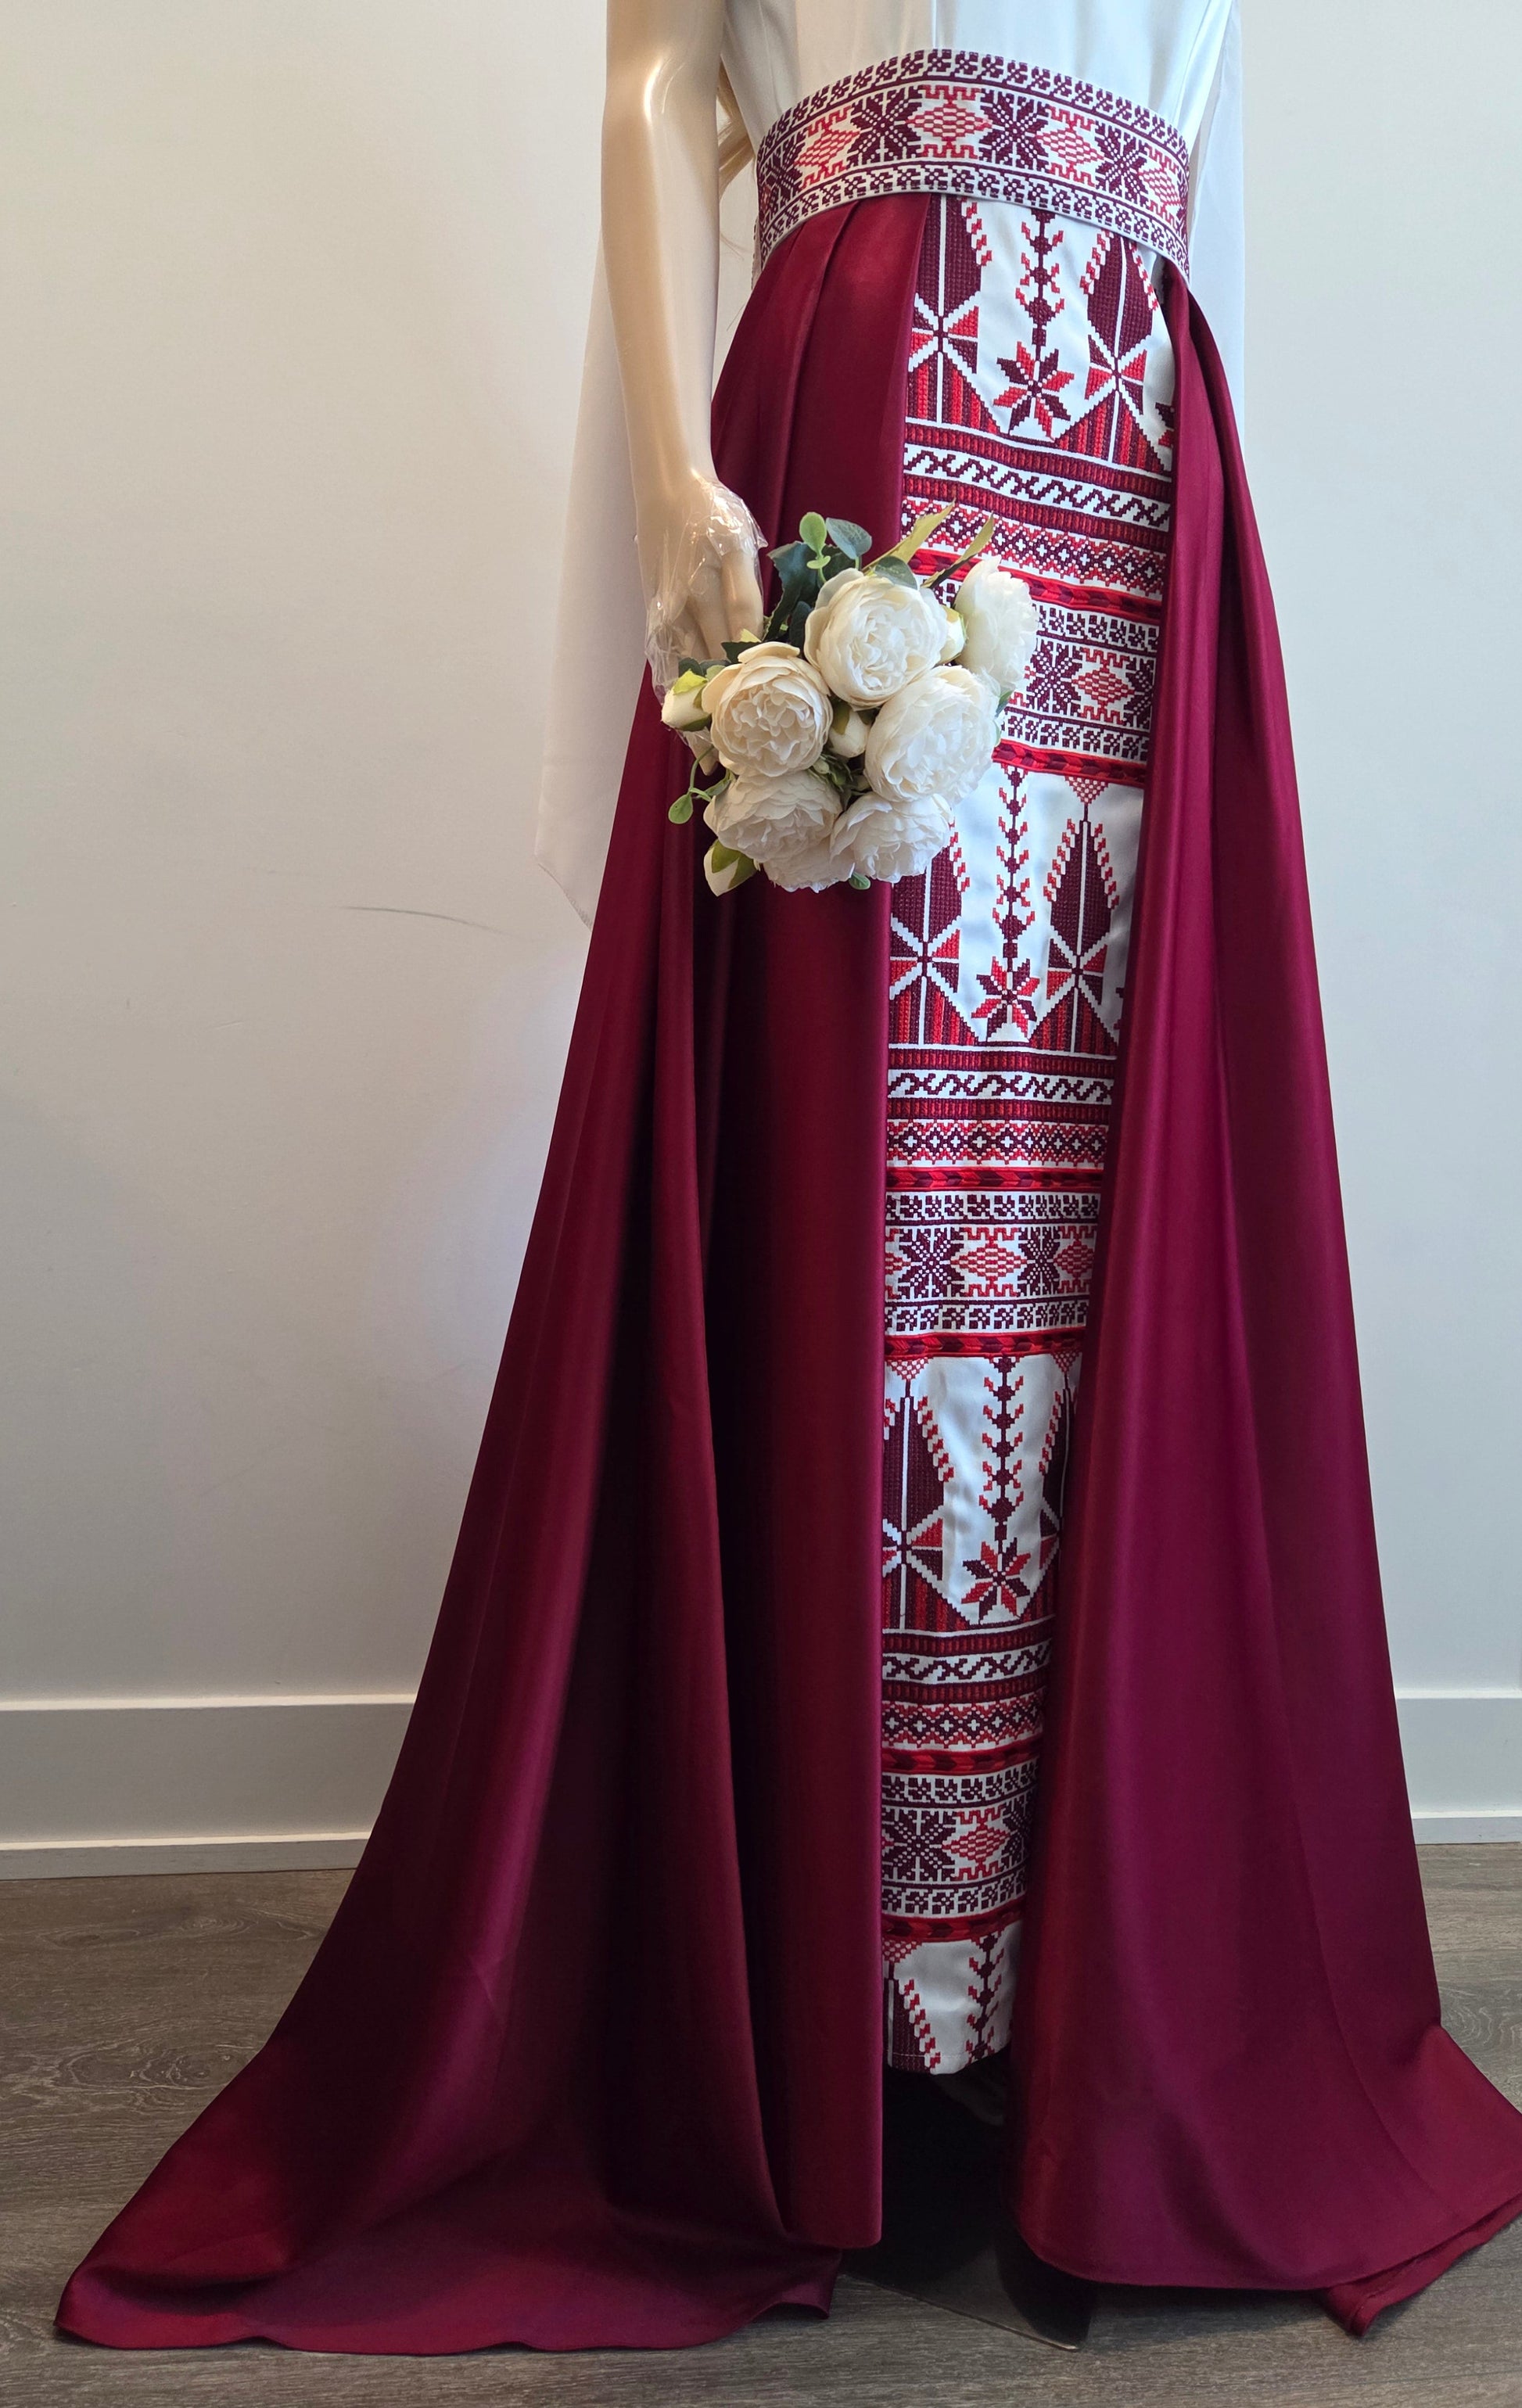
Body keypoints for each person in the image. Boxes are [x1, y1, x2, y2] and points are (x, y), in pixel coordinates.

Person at [57, 0, 1522, 2356]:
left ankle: (1080, 1996)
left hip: (1140, 453)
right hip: (865, 398)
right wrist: (669, 477)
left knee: (1092, 1211)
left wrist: (1216, 550)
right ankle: (828, 1994)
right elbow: (656, 73)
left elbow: (1208, 156)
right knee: (856, 1176)